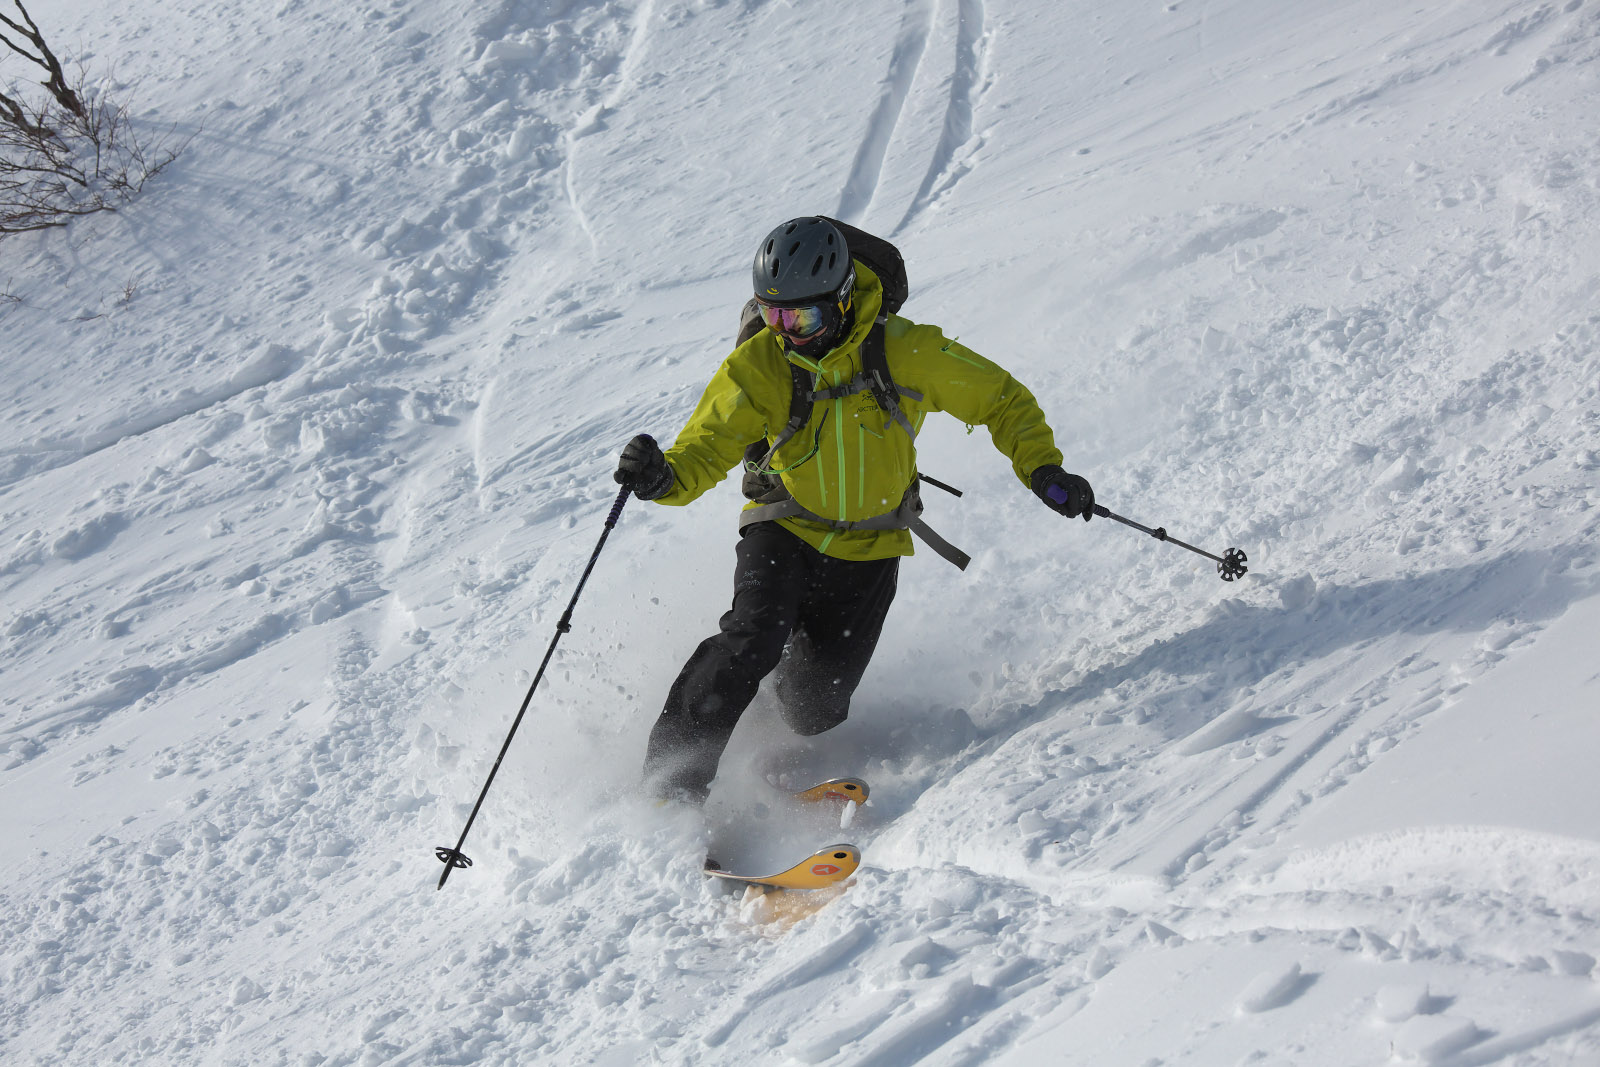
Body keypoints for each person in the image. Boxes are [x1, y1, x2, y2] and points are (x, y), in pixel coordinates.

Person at [614, 216, 1094, 803]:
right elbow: (705, 448)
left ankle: (763, 714)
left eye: (801, 317)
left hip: (871, 548)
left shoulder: (905, 351)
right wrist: (663, 477)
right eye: (772, 315)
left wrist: (1041, 466)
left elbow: (1000, 398)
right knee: (751, 641)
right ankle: (669, 787)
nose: (786, 331)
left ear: (843, 299)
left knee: (812, 712)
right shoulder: (759, 365)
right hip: (784, 526)